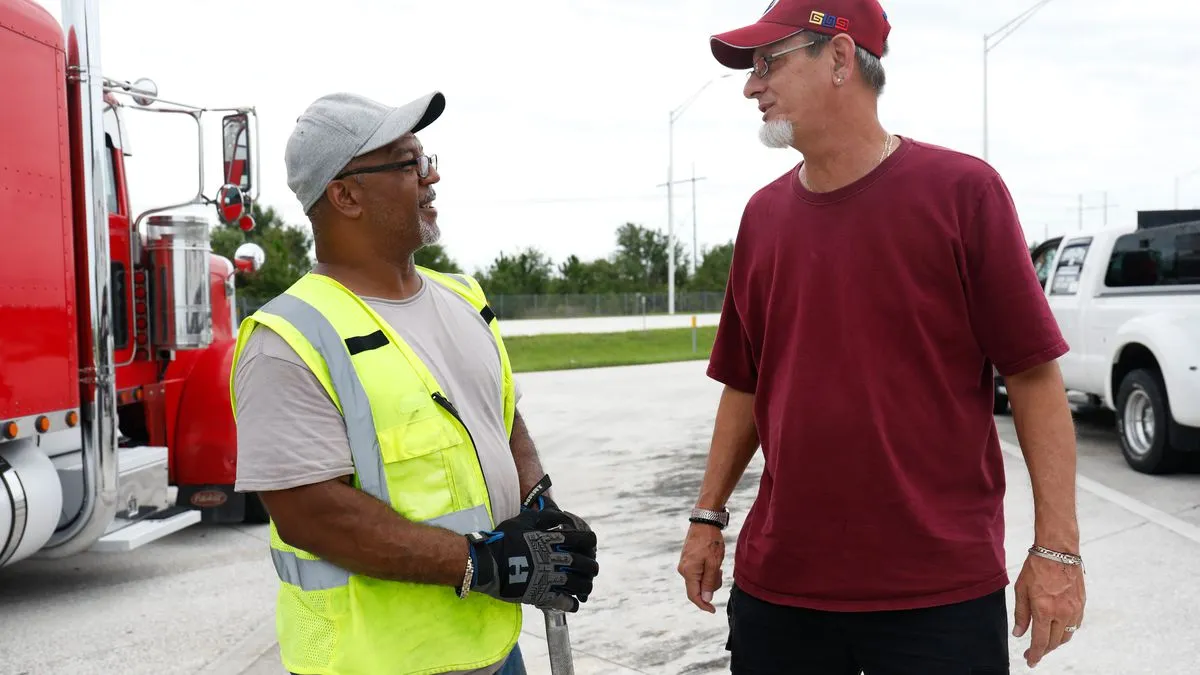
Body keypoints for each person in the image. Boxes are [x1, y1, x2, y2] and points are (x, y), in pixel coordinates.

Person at [675, 1, 1086, 673]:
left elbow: (1034, 377)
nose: (752, 85)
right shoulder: (763, 218)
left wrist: (1058, 550)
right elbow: (745, 383)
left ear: (839, 58)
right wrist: (707, 515)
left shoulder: (962, 193)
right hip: (782, 593)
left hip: (937, 601)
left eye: (767, 62)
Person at [230, 91, 598, 675]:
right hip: (372, 661)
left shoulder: (463, 298)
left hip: (493, 647)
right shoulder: (288, 339)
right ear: (345, 194)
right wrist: (482, 561)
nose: (432, 177)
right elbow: (309, 512)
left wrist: (537, 504)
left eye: (426, 158)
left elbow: (502, 419)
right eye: (409, 163)